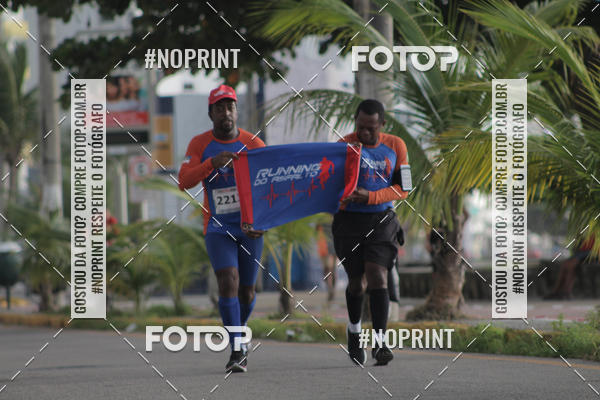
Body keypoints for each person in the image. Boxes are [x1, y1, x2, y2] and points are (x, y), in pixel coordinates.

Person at [178, 84, 265, 373]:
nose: (225, 113)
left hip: (249, 227)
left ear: (236, 111)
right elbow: (184, 181)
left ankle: (239, 330)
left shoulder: (254, 144)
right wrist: (210, 164)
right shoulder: (199, 144)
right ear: (211, 114)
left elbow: (270, 187)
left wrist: (262, 221)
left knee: (247, 292)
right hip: (218, 226)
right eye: (219, 108)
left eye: (230, 107)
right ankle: (237, 348)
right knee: (228, 280)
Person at [333, 99, 410, 366]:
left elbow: (403, 189)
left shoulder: (396, 146)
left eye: (371, 128)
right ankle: (354, 332)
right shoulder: (343, 145)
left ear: (382, 125)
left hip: (382, 220)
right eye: (361, 127)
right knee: (357, 283)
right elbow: (328, 183)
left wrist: (371, 197)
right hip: (349, 222)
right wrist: (341, 198)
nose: (364, 133)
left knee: (377, 275)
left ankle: (380, 343)